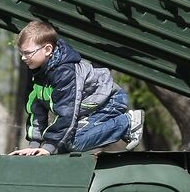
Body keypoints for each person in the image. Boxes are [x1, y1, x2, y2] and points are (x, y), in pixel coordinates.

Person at [9, 20, 144, 156]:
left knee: (71, 142)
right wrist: (34, 144)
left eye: (27, 53)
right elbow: (36, 110)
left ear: (47, 50)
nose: (23, 58)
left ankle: (127, 122)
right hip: (90, 108)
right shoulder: (36, 73)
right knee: (61, 143)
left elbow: (67, 113)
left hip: (109, 101)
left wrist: (48, 147)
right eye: (21, 52)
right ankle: (122, 126)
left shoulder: (65, 73)